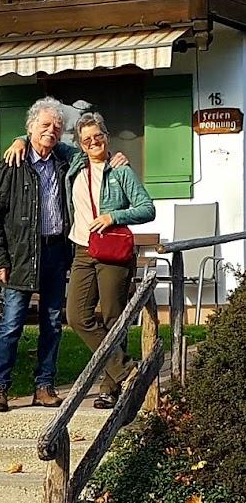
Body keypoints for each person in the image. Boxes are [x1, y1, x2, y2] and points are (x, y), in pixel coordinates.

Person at [0, 98, 73, 413]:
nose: (51, 131)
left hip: (56, 252)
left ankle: (44, 386)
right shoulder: (12, 163)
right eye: (45, 125)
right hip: (20, 255)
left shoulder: (63, 161)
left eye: (57, 127)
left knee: (52, 322)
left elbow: (92, 153)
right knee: (11, 324)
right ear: (30, 127)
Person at [65, 111, 155, 408]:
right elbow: (41, 138)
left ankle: (109, 387)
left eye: (98, 136)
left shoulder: (120, 170)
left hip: (112, 249)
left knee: (114, 317)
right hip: (82, 249)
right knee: (77, 316)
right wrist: (18, 140)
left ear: (107, 136)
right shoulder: (75, 164)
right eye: (86, 139)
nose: (93, 142)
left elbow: (147, 208)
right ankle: (126, 370)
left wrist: (113, 216)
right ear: (80, 144)